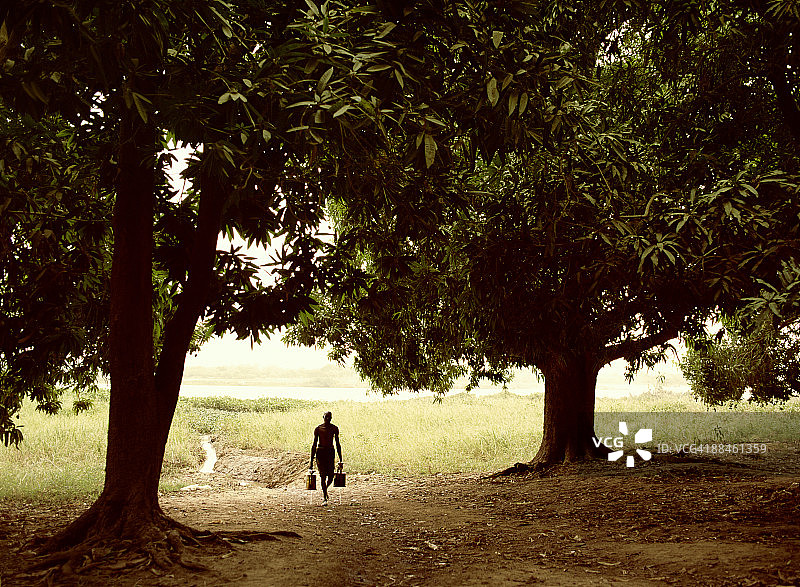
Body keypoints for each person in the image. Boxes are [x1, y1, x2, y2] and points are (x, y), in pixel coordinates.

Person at [310, 411, 342, 506]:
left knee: (331, 476)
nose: (327, 419)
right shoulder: (318, 429)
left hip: (330, 452)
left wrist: (341, 459)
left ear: (331, 418)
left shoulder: (334, 428)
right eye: (326, 417)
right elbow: (314, 444)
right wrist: (311, 461)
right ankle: (324, 497)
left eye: (329, 417)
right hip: (320, 452)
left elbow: (337, 443)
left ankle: (325, 489)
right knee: (323, 476)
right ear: (323, 417)